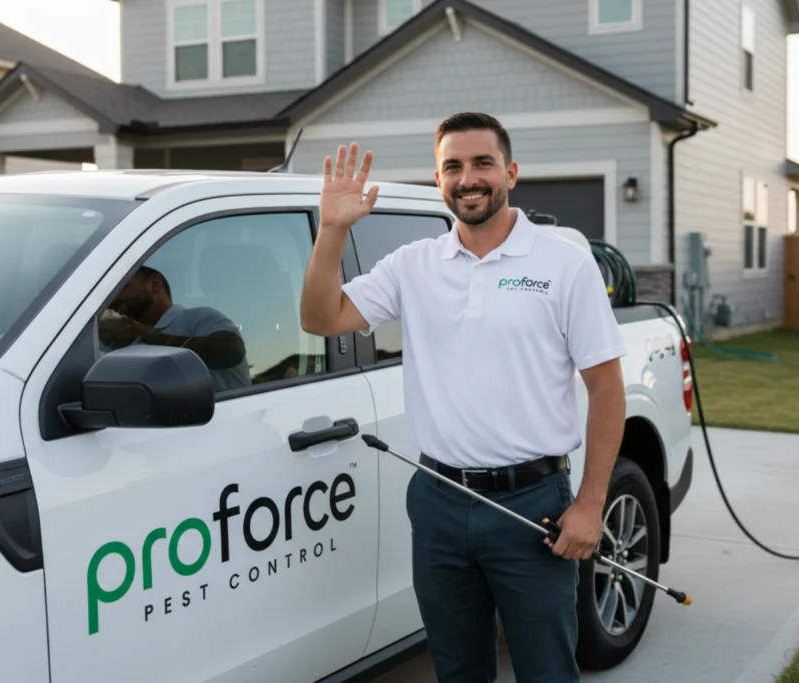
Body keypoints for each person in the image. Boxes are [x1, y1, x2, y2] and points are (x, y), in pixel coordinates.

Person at [300, 112, 627, 683]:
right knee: (457, 670)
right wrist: (332, 230)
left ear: (511, 172)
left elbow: (606, 388)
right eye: (453, 166)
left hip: (534, 506)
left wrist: (590, 504)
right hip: (439, 501)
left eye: (482, 163)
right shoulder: (414, 265)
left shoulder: (564, 264)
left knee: (548, 670)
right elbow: (321, 318)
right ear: (438, 178)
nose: (468, 178)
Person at [99, 265, 252, 392]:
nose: (114, 300)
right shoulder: (119, 341)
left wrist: (148, 336)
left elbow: (231, 350)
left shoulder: (199, 318)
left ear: (154, 285)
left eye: (122, 288)